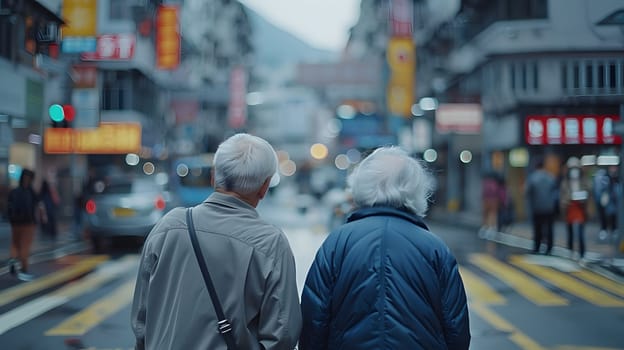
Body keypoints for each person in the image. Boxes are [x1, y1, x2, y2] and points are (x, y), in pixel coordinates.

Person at [131, 133, 302, 350]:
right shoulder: (270, 243)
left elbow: (141, 319)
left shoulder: (168, 227)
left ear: (213, 177)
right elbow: (282, 335)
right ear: (264, 187)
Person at [299, 146, 471, 350]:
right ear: (415, 188)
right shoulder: (434, 248)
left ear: (361, 185)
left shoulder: (337, 242)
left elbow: (314, 320)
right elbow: (456, 329)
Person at [6, 169, 42, 281]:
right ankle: (23, 271)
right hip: (28, 223)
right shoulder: (30, 192)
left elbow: (8, 207)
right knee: (25, 246)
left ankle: (12, 259)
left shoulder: (14, 191)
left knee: (15, 243)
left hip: (15, 222)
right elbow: (38, 205)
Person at [524, 157, 558, 255]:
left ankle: (537, 247)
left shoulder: (532, 178)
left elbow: (527, 192)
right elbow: (555, 192)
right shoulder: (550, 177)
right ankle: (549, 248)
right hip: (549, 207)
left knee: (537, 228)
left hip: (537, 207)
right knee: (549, 228)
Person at [559, 157, 589, 259]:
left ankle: (582, 253)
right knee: (570, 231)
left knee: (580, 232)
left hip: (580, 208)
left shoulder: (584, 181)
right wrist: (566, 201)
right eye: (572, 168)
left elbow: (589, 193)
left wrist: (583, 198)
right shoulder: (565, 182)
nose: (574, 171)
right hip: (569, 208)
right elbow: (562, 197)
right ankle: (570, 250)